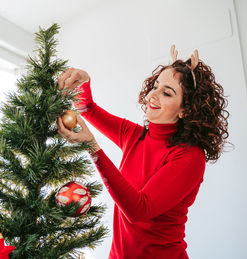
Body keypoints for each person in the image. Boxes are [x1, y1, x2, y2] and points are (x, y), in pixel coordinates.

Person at [56, 45, 230, 259]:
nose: (153, 95)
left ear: (185, 110)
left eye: (167, 92)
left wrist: (93, 147)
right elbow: (87, 109)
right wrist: (83, 81)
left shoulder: (190, 156)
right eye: (156, 86)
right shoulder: (134, 135)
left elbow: (139, 210)